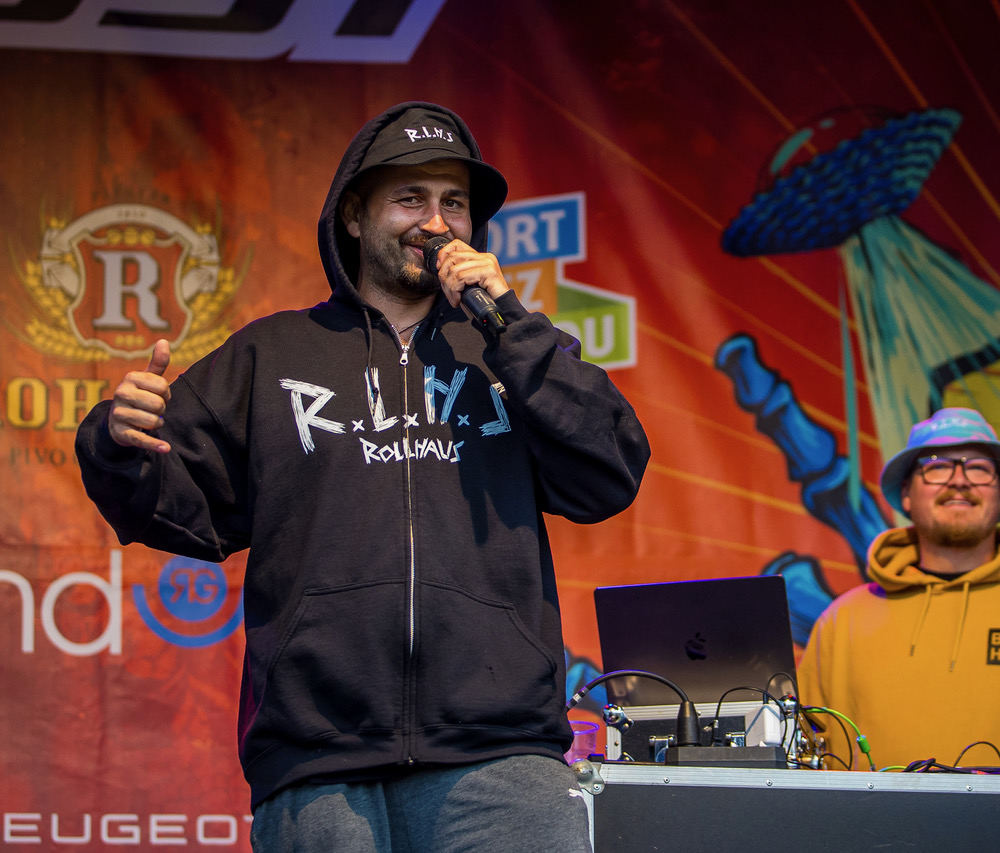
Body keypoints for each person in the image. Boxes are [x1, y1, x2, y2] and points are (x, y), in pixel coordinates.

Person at [76, 102, 650, 851]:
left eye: (453, 204)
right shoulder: (273, 353)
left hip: (500, 752)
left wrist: (509, 320)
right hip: (319, 755)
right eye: (410, 198)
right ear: (353, 215)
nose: (435, 223)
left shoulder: (510, 351)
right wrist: (118, 440)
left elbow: (610, 470)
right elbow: (179, 506)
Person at [797, 408, 1000, 773]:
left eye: (979, 468)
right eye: (937, 466)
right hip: (866, 816)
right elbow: (803, 757)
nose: (959, 480)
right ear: (906, 494)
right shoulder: (842, 620)